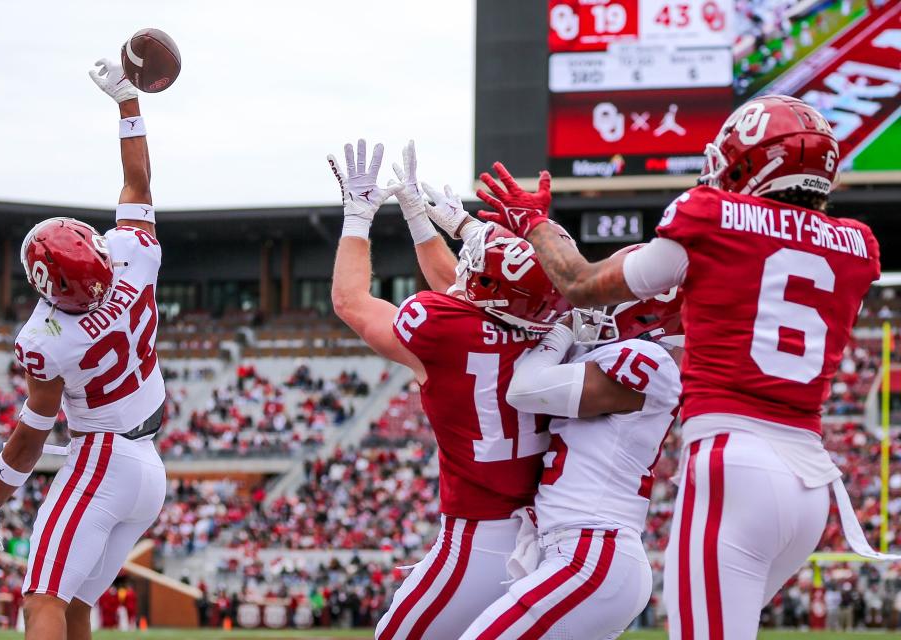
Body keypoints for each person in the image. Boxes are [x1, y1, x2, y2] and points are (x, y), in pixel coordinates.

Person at [476, 94, 884, 638]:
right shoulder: (856, 245)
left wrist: (533, 223)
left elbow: (579, 284)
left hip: (734, 462)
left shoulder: (712, 216)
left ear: (750, 161)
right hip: (811, 487)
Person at [328, 139, 569, 639]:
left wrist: (357, 216)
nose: (463, 267)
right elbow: (472, 291)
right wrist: (419, 218)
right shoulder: (556, 326)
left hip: (479, 538)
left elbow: (351, 302)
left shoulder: (443, 329)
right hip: (546, 538)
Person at [0, 55, 167, 640]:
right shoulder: (135, 257)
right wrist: (129, 103)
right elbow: (138, 182)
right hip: (149, 466)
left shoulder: (45, 339)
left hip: (102, 458)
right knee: (77, 604)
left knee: (41, 603)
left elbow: (32, 432)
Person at [461, 293, 683, 639]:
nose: (599, 317)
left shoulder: (649, 357)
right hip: (585, 551)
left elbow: (524, 390)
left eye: (610, 305)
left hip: (592, 554)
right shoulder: (621, 362)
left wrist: (561, 333)